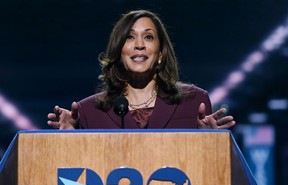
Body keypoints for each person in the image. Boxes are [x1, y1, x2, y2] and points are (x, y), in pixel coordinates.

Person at [47, 9, 235, 130]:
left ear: (160, 53)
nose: (139, 45)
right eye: (129, 37)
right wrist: (69, 138)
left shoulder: (194, 102)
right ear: (118, 52)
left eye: (148, 37)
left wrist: (212, 142)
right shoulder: (89, 111)